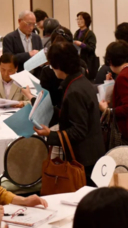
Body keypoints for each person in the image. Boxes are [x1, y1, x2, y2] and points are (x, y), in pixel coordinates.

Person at [30, 42, 105, 184]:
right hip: (92, 153)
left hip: (84, 159)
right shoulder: (81, 81)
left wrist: (50, 135)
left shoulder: (74, 90)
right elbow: (71, 115)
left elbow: (78, 130)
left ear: (57, 65)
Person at [74, 12, 98, 80]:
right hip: (79, 60)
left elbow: (92, 48)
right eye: (77, 19)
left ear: (86, 21)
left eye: (81, 19)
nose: (78, 21)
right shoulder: (77, 32)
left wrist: (81, 44)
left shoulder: (90, 34)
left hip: (88, 61)